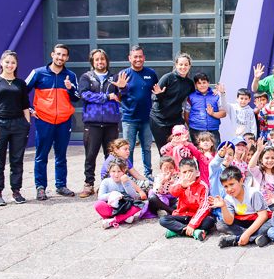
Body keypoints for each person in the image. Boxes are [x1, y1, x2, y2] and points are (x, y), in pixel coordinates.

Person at [26, 43, 79, 200]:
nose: (60, 57)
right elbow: (21, 91)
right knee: (41, 155)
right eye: (58, 54)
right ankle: (40, 187)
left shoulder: (70, 75)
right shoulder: (38, 73)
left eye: (63, 55)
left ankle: (61, 185)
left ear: (67, 58)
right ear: (52, 55)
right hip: (44, 120)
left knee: (61, 155)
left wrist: (70, 88)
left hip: (64, 121)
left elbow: (76, 98)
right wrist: (29, 109)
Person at [78, 49, 128, 198]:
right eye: (97, 59)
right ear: (92, 62)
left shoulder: (115, 77)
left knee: (111, 156)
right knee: (90, 155)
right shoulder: (86, 77)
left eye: (102, 59)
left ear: (107, 61)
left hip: (110, 122)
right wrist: (106, 96)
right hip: (92, 123)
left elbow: (122, 97)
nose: (100, 62)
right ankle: (89, 184)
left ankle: (109, 183)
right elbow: (85, 94)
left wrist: (123, 87)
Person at [0, 50, 31, 205]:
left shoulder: (20, 83)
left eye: (13, 62)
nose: (10, 65)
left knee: (17, 159)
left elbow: (26, 105)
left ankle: (16, 191)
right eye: (7, 62)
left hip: (19, 124)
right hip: (0, 124)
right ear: (1, 63)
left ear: (16, 65)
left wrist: (27, 124)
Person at [118, 45, 158, 179]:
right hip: (129, 119)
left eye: (140, 56)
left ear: (144, 58)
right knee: (127, 150)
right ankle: (130, 175)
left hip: (147, 118)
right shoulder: (124, 74)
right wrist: (122, 89)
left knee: (147, 148)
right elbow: (117, 96)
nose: (138, 59)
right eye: (135, 57)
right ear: (130, 58)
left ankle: (148, 174)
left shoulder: (151, 73)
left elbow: (156, 92)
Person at [212, 166, 272, 248]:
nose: (229, 189)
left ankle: (236, 239)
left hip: (259, 221)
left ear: (241, 181)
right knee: (220, 224)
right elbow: (229, 222)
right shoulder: (228, 198)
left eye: (231, 184)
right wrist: (223, 206)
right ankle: (257, 237)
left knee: (273, 222)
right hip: (243, 223)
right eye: (225, 186)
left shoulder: (253, 193)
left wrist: (246, 234)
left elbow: (263, 216)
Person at [159, 158, 214, 241]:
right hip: (182, 215)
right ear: (180, 174)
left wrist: (192, 224)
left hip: (196, 217)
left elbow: (204, 207)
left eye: (191, 171)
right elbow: (172, 192)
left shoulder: (203, 186)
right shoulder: (180, 182)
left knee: (210, 221)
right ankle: (195, 232)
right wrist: (182, 186)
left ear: (197, 172)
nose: (188, 174)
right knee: (163, 220)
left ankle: (177, 231)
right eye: (184, 172)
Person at [150, 53, 195, 151]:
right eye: (181, 64)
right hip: (159, 120)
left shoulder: (189, 83)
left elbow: (195, 98)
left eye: (186, 65)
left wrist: (211, 93)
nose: (183, 67)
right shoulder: (168, 77)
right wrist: (159, 94)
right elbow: (154, 96)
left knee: (179, 149)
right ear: (176, 65)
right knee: (164, 150)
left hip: (176, 120)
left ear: (189, 66)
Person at [94, 158, 147, 228]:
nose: (116, 174)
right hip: (111, 208)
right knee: (98, 205)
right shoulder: (106, 182)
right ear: (109, 171)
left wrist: (126, 184)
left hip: (125, 207)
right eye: (113, 171)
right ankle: (123, 218)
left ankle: (112, 220)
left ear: (124, 171)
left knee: (139, 205)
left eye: (119, 171)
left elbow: (133, 196)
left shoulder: (126, 179)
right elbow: (100, 197)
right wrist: (112, 194)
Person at [185, 73, 225, 143]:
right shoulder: (191, 97)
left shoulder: (216, 96)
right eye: (199, 83)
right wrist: (192, 126)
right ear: (195, 85)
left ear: (208, 83)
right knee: (197, 152)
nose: (202, 85)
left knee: (215, 153)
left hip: (213, 131)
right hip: (196, 130)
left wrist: (213, 113)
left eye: (204, 82)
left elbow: (223, 113)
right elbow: (186, 114)